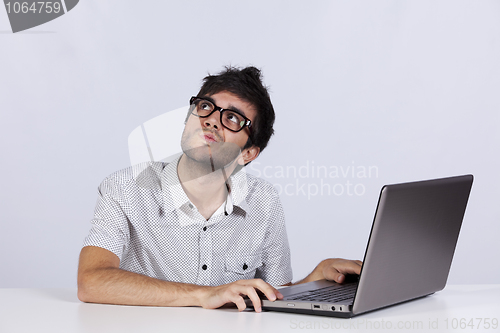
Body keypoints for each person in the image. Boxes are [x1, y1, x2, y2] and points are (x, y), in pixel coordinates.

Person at [77, 66, 362, 312]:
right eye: (205, 106)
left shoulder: (264, 201)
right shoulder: (126, 187)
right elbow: (91, 282)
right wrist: (204, 295)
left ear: (248, 154)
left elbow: (272, 298)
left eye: (233, 118)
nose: (211, 119)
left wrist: (315, 279)